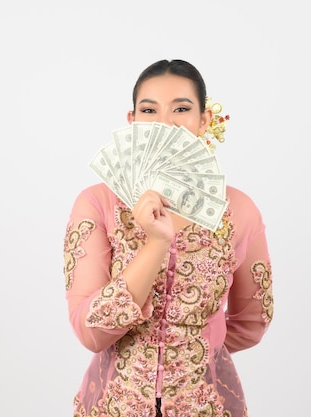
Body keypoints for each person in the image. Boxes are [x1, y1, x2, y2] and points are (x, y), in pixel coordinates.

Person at [63, 59, 273, 417]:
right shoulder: (97, 203)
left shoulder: (238, 210)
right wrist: (156, 243)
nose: (165, 123)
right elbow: (91, 332)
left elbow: (253, 322)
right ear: (131, 122)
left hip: (208, 406)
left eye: (181, 108)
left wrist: (192, 352)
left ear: (204, 120)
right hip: (112, 406)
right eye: (149, 110)